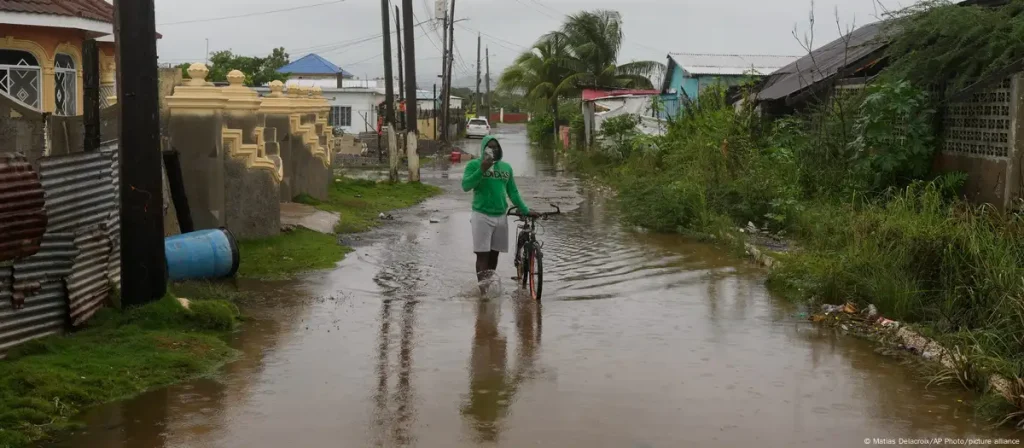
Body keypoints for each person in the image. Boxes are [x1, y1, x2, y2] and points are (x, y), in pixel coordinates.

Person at [462, 136, 538, 288]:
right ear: (484, 149)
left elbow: (513, 192)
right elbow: (466, 185)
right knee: (482, 254)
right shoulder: (473, 165)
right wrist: (482, 169)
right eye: (489, 147)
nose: (493, 150)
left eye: (496, 147)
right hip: (481, 215)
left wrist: (525, 209)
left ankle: (488, 285)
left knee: (494, 254)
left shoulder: (506, 168)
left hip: (501, 216)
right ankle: (483, 293)